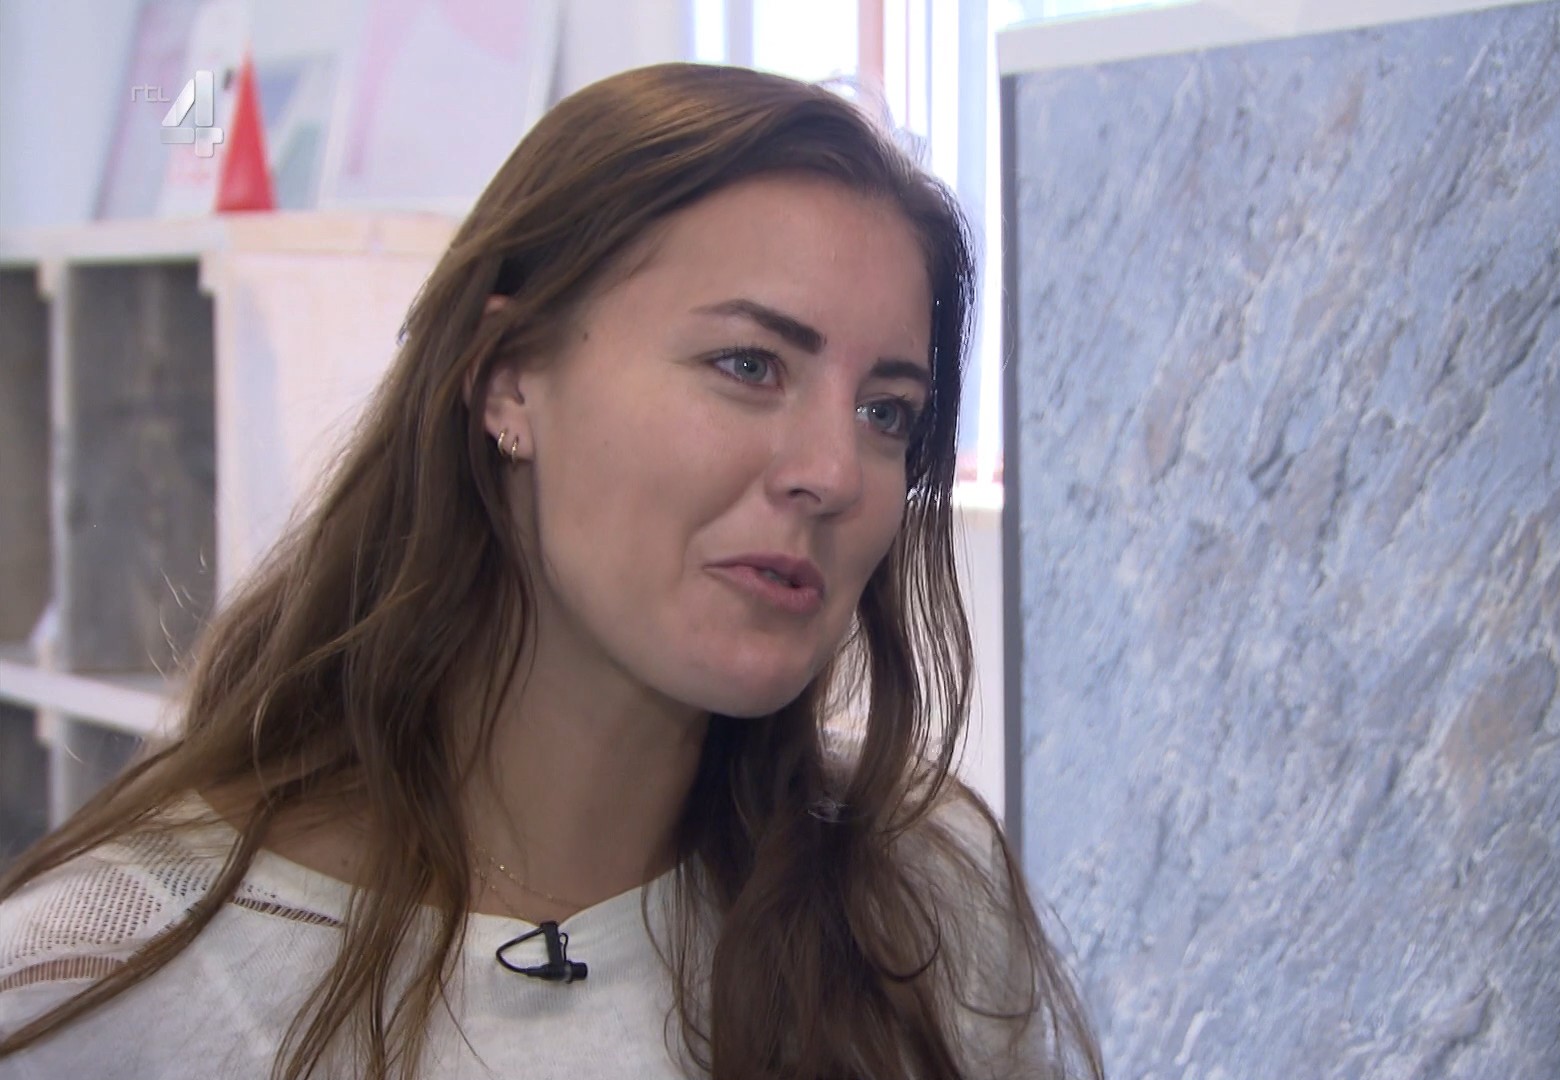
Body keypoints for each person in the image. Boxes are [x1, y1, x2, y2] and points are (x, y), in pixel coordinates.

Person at [0, 63, 1102, 1080]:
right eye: (749, 364)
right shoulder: (106, 984)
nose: (833, 471)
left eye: (886, 412)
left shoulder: (920, 901)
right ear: (508, 378)